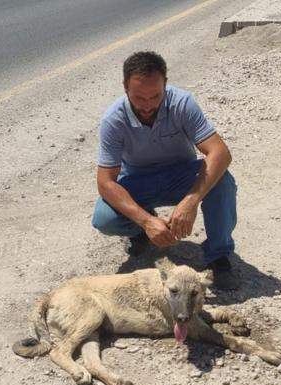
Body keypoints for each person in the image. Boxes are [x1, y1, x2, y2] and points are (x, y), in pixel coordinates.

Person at [91, 51, 238, 290]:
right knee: (104, 218)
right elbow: (105, 182)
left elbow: (221, 153)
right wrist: (147, 221)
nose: (148, 105)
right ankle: (140, 232)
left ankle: (219, 256)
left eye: (155, 96)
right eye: (139, 97)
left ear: (165, 85)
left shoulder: (182, 103)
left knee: (223, 182)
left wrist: (191, 201)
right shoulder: (113, 120)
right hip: (138, 180)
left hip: (180, 174)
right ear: (125, 88)